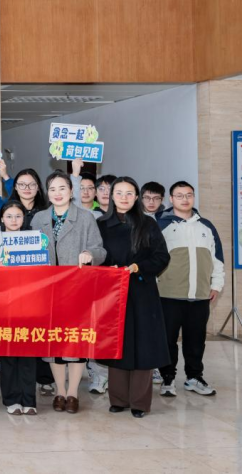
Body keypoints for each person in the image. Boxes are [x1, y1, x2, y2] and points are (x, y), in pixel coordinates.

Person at [30, 171, 106, 415]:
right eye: (52, 189)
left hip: (76, 289)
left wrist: (90, 254)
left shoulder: (85, 217)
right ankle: (59, 391)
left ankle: (73, 392)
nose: (57, 193)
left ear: (71, 191)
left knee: (75, 341)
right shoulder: (39, 218)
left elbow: (100, 249)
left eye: (62, 188)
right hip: (47, 291)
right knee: (53, 342)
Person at [97, 177, 171, 418]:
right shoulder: (101, 224)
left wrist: (138, 267)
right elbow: (97, 256)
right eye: (119, 192)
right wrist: (107, 270)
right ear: (112, 196)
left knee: (143, 345)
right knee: (116, 343)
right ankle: (118, 399)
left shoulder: (148, 224)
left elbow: (162, 257)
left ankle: (139, 402)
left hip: (142, 292)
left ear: (136, 197)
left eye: (129, 193)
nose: (124, 197)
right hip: (112, 293)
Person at [157, 181, 224, 398]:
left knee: (195, 340)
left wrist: (216, 284)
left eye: (189, 195)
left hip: (200, 295)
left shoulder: (206, 226)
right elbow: (154, 258)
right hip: (168, 295)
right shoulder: (161, 225)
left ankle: (194, 377)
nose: (185, 199)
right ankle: (167, 378)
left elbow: (217, 258)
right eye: (179, 195)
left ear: (193, 197)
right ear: (171, 199)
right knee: (168, 340)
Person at [0, 201, 39, 415]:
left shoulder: (34, 239)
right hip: (5, 304)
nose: (13, 220)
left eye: (18, 216)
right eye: (9, 216)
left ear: (24, 218)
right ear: (2, 218)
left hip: (29, 303)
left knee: (28, 353)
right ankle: (12, 399)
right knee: (8, 353)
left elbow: (43, 267)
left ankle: (29, 400)